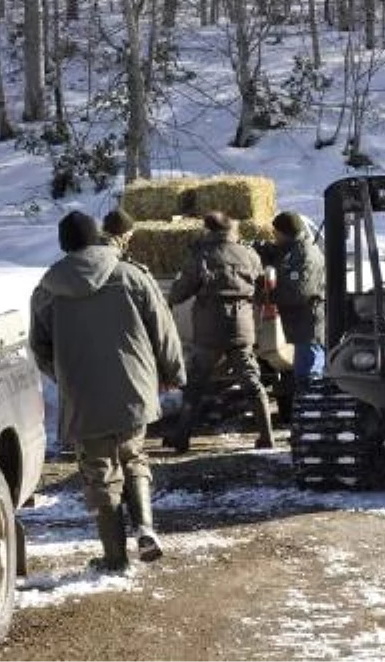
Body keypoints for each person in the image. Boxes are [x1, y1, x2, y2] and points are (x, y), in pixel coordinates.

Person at [29, 210, 185, 571]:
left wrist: (67, 375)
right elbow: (162, 328)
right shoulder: (131, 275)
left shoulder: (47, 289)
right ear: (97, 236)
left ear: (64, 244)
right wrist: (172, 370)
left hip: (83, 394)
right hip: (133, 385)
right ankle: (145, 527)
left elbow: (40, 347)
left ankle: (115, 558)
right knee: (133, 455)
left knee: (99, 471)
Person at [165, 211, 274, 452]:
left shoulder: (202, 255)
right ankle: (267, 436)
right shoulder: (249, 254)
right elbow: (263, 291)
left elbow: (179, 293)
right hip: (242, 326)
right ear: (233, 230)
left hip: (209, 329)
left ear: (209, 230)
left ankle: (181, 438)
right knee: (252, 381)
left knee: (195, 384)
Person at [271, 211, 326, 386]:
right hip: (304, 323)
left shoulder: (303, 255)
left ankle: (314, 405)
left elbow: (301, 292)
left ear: (285, 232)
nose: (274, 236)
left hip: (308, 321)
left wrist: (272, 296)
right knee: (303, 370)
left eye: (276, 233)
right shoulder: (297, 248)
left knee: (309, 375)